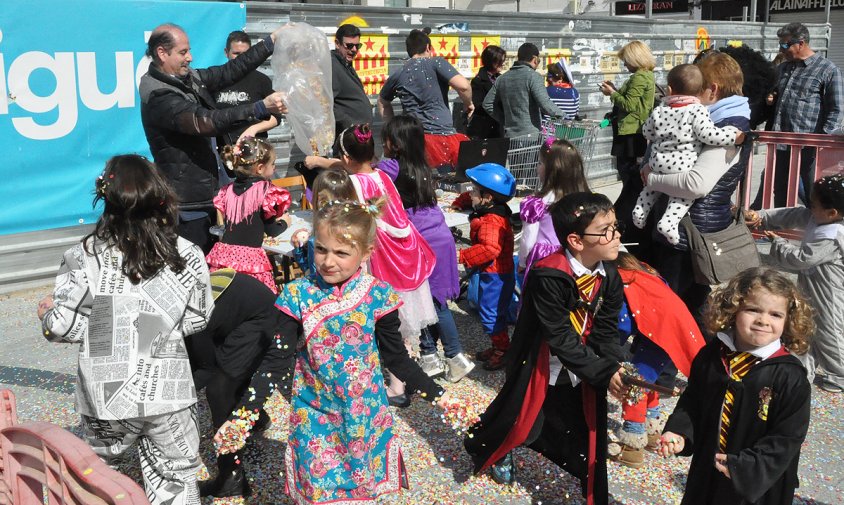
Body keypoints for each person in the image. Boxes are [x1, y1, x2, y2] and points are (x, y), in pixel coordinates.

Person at [36, 154, 213, 505]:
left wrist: (45, 313)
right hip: (169, 388)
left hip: (106, 394)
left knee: (96, 478)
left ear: (107, 197)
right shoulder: (187, 253)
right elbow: (198, 317)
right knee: (176, 477)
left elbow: (62, 328)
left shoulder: (84, 254)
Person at [267, 199, 446, 504]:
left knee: (360, 489)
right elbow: (276, 358)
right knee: (319, 490)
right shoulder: (297, 294)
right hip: (314, 414)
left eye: (341, 253)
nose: (327, 261)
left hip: (364, 417)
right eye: (321, 248)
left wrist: (438, 396)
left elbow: (396, 358)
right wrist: (242, 415)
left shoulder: (378, 296)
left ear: (366, 253)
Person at [464, 192, 627, 505]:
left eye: (616, 227)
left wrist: (615, 366)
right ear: (576, 241)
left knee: (584, 431)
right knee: (518, 416)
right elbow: (559, 335)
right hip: (540, 363)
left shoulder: (610, 277)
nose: (616, 235)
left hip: (582, 368)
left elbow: (606, 331)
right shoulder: (548, 274)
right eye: (605, 230)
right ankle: (498, 449)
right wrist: (603, 371)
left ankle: (588, 483)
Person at [304, 124, 438, 405]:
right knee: (399, 326)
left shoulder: (351, 184)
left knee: (379, 324)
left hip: (379, 260)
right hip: (404, 253)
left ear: (346, 158)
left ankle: (392, 386)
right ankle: (402, 379)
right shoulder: (383, 176)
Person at [660, 267, 814, 505]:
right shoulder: (713, 356)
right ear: (732, 311)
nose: (763, 320)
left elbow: (787, 438)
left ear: (789, 320)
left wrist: (745, 466)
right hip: (708, 470)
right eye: (753, 310)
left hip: (758, 484)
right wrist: (680, 432)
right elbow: (693, 401)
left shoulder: (789, 376)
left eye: (776, 315)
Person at [139, 23, 288, 254]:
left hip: (207, 195)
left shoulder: (188, 78)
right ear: (161, 53)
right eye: (183, 52)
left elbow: (230, 70)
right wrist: (259, 107)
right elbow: (205, 121)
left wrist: (271, 42)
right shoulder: (160, 95)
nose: (190, 57)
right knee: (194, 270)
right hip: (187, 205)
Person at [642, 51, 753, 330]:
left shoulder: (730, 126)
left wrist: (652, 179)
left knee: (672, 309)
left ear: (712, 89)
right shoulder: (714, 119)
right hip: (689, 229)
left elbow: (696, 184)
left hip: (689, 233)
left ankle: (658, 370)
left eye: (695, 88)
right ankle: (705, 366)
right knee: (694, 307)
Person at [378, 115, 475, 382]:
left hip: (420, 241)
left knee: (434, 302)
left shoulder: (390, 167)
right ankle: (429, 355)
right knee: (428, 300)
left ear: (395, 142)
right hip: (439, 234)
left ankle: (456, 357)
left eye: (385, 137)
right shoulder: (423, 165)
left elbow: (368, 181)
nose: (381, 142)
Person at [185, 269, 295, 498]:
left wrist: (172, 397)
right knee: (231, 368)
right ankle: (257, 420)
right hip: (243, 308)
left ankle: (231, 478)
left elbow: (206, 368)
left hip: (261, 316)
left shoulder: (188, 318)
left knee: (219, 389)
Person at [745, 174, 844, 393]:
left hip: (830, 293)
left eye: (814, 205)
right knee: (803, 327)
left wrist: (778, 243)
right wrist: (761, 217)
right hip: (812, 285)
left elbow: (801, 259)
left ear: (832, 213)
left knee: (829, 331)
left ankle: (840, 374)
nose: (809, 209)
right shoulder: (819, 216)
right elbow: (792, 214)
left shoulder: (834, 236)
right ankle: (802, 369)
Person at [609, 252, 704, 468]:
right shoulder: (647, 272)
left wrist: (611, 348)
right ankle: (651, 430)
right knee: (648, 380)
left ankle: (632, 445)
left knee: (635, 383)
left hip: (660, 333)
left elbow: (622, 323)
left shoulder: (624, 279)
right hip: (668, 330)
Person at [633, 64, 745, 245]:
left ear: (669, 89)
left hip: (657, 162)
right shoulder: (696, 110)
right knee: (682, 196)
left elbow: (647, 132)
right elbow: (709, 135)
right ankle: (669, 222)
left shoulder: (660, 109)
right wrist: (733, 135)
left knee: (650, 189)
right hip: (681, 165)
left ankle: (639, 211)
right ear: (701, 90)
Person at [753, 22, 844, 208]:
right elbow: (773, 98)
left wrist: (821, 141)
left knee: (814, 194)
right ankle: (780, 232)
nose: (781, 49)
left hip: (808, 148)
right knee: (780, 190)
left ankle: (818, 232)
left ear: (801, 43)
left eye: (785, 45)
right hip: (779, 143)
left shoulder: (827, 70)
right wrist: (770, 98)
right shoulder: (783, 69)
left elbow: (837, 109)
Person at [378, 28, 474, 172]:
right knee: (447, 184)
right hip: (443, 138)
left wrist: (392, 128)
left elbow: (382, 101)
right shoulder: (436, 63)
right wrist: (469, 104)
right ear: (428, 47)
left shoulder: (398, 73)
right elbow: (464, 86)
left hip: (413, 140)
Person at [451, 163, 517, 371]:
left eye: (474, 191)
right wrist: (460, 202)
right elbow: (471, 199)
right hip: (497, 273)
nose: (470, 194)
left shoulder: (491, 221)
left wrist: (461, 256)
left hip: (495, 275)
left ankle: (503, 350)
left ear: (487, 197)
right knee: (493, 312)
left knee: (490, 315)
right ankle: (498, 345)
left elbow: (489, 249)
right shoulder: (493, 208)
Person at [205, 137, 291, 293]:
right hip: (250, 260)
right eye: (272, 164)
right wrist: (285, 222)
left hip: (225, 256)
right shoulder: (266, 191)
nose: (274, 168)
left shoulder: (227, 190)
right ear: (259, 168)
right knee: (258, 301)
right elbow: (272, 230)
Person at [599, 40, 656, 249]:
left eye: (626, 61)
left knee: (630, 178)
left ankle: (625, 219)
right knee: (630, 179)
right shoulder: (644, 76)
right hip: (632, 132)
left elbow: (631, 106)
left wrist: (611, 94)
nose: (625, 65)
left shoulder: (640, 77)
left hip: (631, 133)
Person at [518, 137, 589, 278]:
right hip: (575, 255)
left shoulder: (538, 203)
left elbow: (528, 239)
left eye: (540, 163)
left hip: (545, 259)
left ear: (552, 169)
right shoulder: (585, 200)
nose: (537, 167)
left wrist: (522, 262)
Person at [483, 42, 565, 138]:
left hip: (510, 136)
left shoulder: (502, 78)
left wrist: (504, 119)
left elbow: (487, 104)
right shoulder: (533, 77)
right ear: (535, 59)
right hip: (530, 138)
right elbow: (545, 104)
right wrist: (563, 115)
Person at [289, 167, 359, 277]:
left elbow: (313, 273)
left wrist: (298, 250)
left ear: (320, 201)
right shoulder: (358, 229)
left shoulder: (318, 238)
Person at [214, 31, 281, 144]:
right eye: (236, 53)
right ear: (226, 52)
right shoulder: (215, 80)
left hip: (254, 150)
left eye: (245, 54)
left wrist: (253, 129)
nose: (241, 58)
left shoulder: (261, 80)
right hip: (224, 151)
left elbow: (276, 117)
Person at [331, 24, 373, 139]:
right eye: (349, 45)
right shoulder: (332, 65)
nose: (354, 50)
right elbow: (326, 103)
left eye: (357, 46)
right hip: (349, 138)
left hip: (358, 137)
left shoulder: (345, 64)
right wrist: (350, 124)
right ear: (337, 43)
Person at [467, 45, 506, 139]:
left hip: (499, 126)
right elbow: (477, 104)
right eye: (500, 61)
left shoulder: (501, 78)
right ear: (491, 61)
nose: (503, 64)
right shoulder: (478, 81)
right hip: (485, 129)